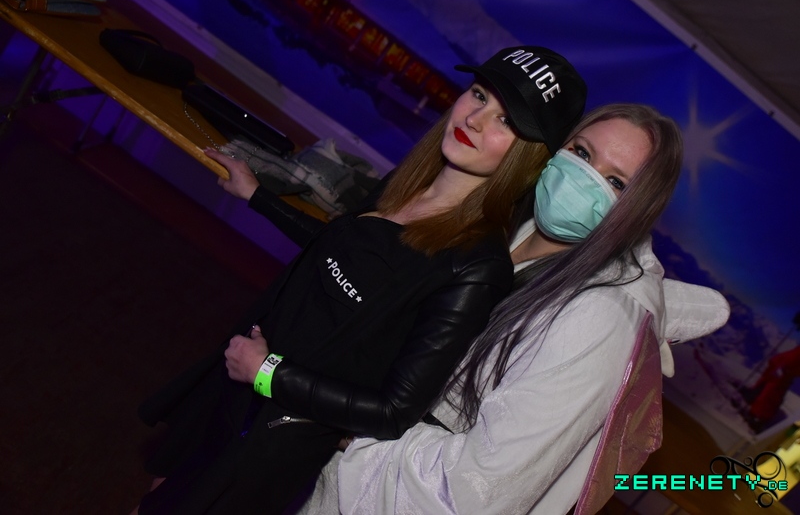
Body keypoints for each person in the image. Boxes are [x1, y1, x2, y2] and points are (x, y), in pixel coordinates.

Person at [132, 46, 588, 515]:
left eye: (505, 121)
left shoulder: (477, 267)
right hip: (236, 377)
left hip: (269, 431)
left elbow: (393, 411)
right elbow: (340, 249)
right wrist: (258, 196)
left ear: (530, 157)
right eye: (478, 95)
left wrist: (268, 373)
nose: (474, 119)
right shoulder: (405, 184)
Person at [294, 103, 729, 514]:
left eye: (615, 182)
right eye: (581, 153)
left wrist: (358, 436)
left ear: (636, 212)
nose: (583, 179)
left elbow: (480, 488)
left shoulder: (599, 321)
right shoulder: (504, 224)